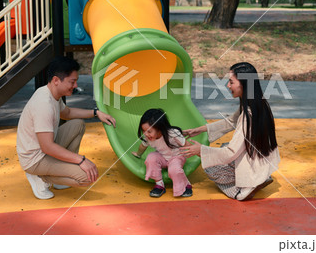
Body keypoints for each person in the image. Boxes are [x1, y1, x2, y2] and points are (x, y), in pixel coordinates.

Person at [16, 56, 116, 200]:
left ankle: (58, 173)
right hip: (35, 159)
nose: (75, 86)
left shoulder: (51, 94)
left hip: (44, 149)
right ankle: (41, 177)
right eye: (72, 82)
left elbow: (68, 113)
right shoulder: (43, 104)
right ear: (56, 80)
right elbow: (47, 147)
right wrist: (81, 160)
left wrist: (96, 113)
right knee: (86, 177)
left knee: (77, 124)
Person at [180, 62, 280, 201]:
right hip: (262, 160)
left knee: (210, 167)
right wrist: (199, 130)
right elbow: (231, 121)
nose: (228, 86)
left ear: (244, 84)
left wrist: (200, 150)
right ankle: (261, 176)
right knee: (222, 147)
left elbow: (231, 153)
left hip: (253, 165)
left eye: (231, 82)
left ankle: (242, 190)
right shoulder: (259, 103)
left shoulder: (248, 116)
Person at [132, 108, 193, 198]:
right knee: (151, 157)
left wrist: (200, 153)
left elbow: (187, 145)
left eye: (149, 131)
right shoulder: (148, 138)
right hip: (163, 158)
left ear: (160, 129)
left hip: (177, 157)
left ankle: (185, 184)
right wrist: (138, 154)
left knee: (173, 170)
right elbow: (143, 146)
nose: (146, 134)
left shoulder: (172, 133)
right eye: (144, 131)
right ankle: (159, 184)